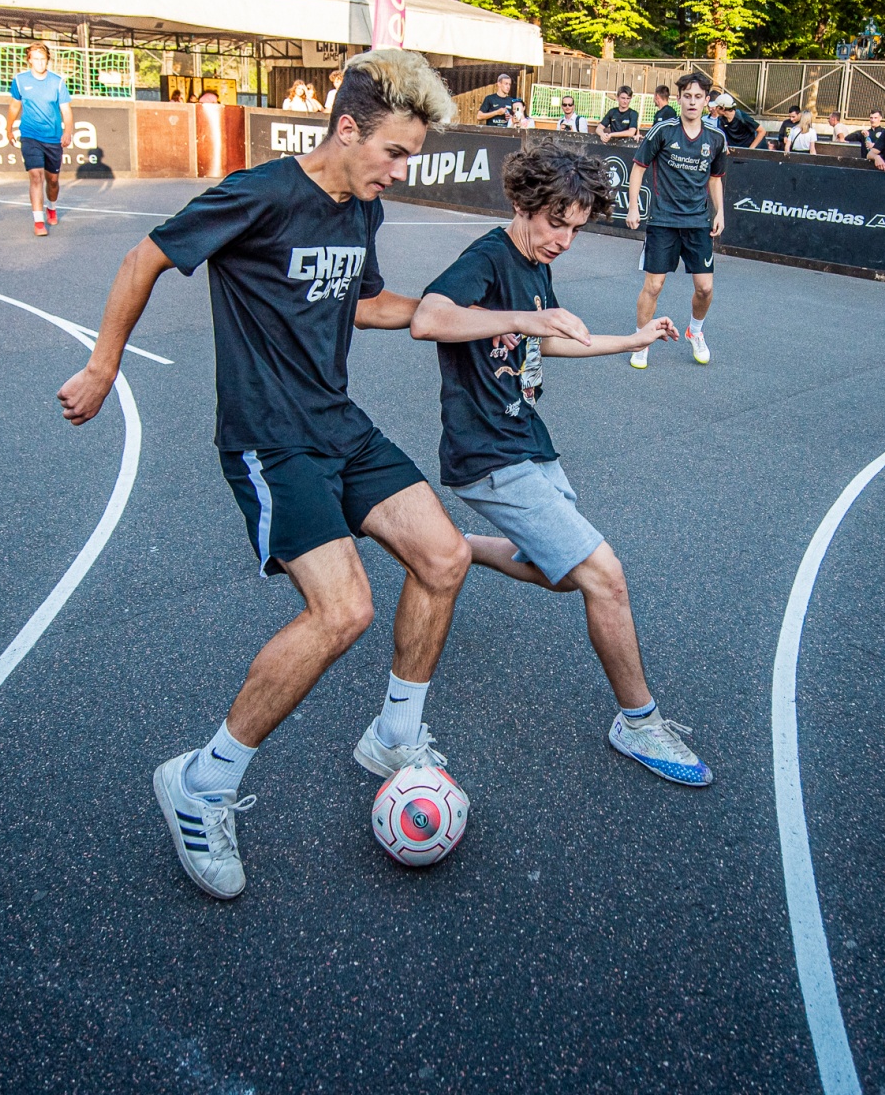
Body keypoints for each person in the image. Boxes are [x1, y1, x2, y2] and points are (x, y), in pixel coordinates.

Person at [56, 49, 471, 902]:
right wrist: (103, 366)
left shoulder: (362, 207)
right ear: (348, 130)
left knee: (445, 555)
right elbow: (144, 259)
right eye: (394, 152)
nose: (401, 171)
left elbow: (364, 303)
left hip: (337, 422)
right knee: (343, 610)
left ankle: (395, 736)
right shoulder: (261, 194)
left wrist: (466, 317)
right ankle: (201, 782)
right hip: (270, 439)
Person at [408, 143, 711, 786]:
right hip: (487, 452)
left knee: (562, 575)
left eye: (576, 228)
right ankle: (639, 722)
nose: (565, 241)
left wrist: (632, 339)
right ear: (522, 204)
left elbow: (542, 342)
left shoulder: (535, 262)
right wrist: (525, 315)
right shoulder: (488, 258)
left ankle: (452, 548)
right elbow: (428, 319)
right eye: (555, 223)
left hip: (528, 440)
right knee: (605, 576)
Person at [625, 70, 727, 369]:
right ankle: (641, 341)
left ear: (706, 101)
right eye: (687, 96)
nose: (692, 102)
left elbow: (716, 178)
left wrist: (720, 212)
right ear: (679, 99)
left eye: (698, 97)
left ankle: (695, 331)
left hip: (698, 223)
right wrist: (633, 206)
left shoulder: (716, 137)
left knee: (705, 288)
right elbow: (639, 168)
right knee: (654, 286)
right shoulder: (663, 130)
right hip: (663, 221)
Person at [8, 41, 71, 236]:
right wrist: (8, 128)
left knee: (52, 181)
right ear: (29, 60)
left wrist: (67, 131)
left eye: (42, 59)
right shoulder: (20, 80)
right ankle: (38, 222)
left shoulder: (57, 82)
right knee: (36, 176)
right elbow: (14, 106)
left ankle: (51, 207)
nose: (39, 63)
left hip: (52, 137)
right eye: (35, 59)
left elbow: (66, 110)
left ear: (48, 60)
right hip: (30, 136)